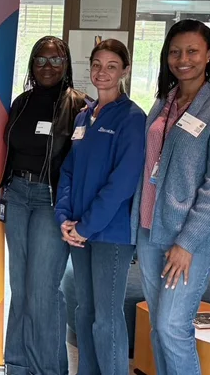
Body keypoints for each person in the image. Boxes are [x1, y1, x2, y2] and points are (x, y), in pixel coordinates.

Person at [129, 19, 210, 375]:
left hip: (188, 240)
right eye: (175, 52)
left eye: (192, 51)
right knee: (159, 329)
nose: (183, 59)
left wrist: (187, 242)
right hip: (150, 230)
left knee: (172, 327)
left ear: (209, 54)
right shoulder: (166, 100)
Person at [55, 39, 146, 375]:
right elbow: (68, 170)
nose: (102, 72)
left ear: (124, 70)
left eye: (111, 66)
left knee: (106, 318)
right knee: (84, 312)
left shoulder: (133, 118)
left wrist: (85, 226)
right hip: (78, 230)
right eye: (96, 65)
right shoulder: (83, 116)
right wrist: (65, 218)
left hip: (110, 233)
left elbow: (122, 183)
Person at [0, 36, 87, 375]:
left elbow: (84, 163)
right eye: (41, 60)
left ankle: (48, 370)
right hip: (17, 196)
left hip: (52, 201)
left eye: (56, 60)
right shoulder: (20, 103)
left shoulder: (80, 106)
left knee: (43, 292)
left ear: (66, 65)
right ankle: (17, 365)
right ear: (32, 65)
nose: (48, 67)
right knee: (20, 289)